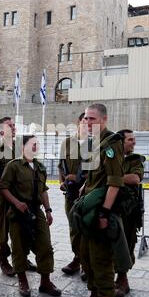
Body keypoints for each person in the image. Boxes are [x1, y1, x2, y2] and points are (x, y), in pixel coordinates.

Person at [70, 103, 124, 297]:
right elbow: (94, 178)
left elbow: (115, 182)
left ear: (104, 120)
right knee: (87, 255)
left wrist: (104, 213)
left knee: (101, 259)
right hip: (89, 209)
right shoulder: (94, 143)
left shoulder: (111, 144)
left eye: (92, 119)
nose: (88, 122)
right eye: (85, 119)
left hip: (101, 211)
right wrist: (84, 189)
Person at [0, 135, 61, 297]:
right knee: (19, 247)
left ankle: (45, 282)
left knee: (45, 245)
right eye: (32, 144)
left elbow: (43, 190)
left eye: (37, 144)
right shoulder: (14, 166)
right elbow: (3, 188)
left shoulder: (40, 167)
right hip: (18, 212)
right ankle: (22, 280)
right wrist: (17, 203)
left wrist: (48, 210)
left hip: (36, 210)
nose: (36, 147)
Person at [0, 117, 36, 276]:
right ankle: (3, 260)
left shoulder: (20, 146)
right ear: (2, 131)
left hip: (22, 195)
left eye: (13, 125)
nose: (14, 127)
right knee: (2, 229)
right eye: (10, 126)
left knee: (22, 228)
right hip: (4, 197)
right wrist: (0, 186)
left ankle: (23, 258)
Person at [115, 129, 145, 297]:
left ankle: (123, 280)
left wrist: (111, 177)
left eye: (134, 139)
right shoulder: (111, 157)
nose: (133, 142)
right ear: (120, 142)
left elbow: (135, 178)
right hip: (112, 207)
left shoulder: (136, 160)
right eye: (130, 140)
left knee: (126, 243)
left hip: (129, 210)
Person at [58, 113, 88, 279]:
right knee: (74, 228)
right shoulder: (67, 143)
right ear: (79, 122)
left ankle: (86, 263)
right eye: (85, 120)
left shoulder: (95, 144)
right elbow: (61, 165)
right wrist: (62, 181)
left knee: (87, 228)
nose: (88, 124)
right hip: (70, 193)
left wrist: (78, 178)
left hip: (88, 193)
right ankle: (77, 259)